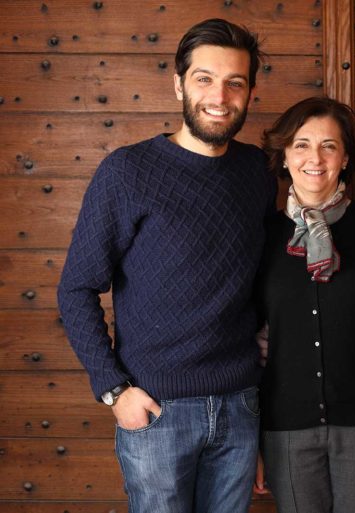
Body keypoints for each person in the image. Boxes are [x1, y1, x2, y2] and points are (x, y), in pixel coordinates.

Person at [57, 19, 276, 513]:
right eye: (204, 78)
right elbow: (76, 289)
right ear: (178, 83)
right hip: (156, 410)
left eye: (235, 82)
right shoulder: (127, 172)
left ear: (250, 91)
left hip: (240, 405)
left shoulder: (256, 173)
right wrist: (114, 391)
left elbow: (261, 276)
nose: (219, 95)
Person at [256, 96, 355, 513]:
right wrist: (251, 440)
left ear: (345, 158)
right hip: (284, 430)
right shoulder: (264, 235)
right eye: (302, 144)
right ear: (285, 157)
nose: (315, 157)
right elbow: (245, 339)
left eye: (329, 145)